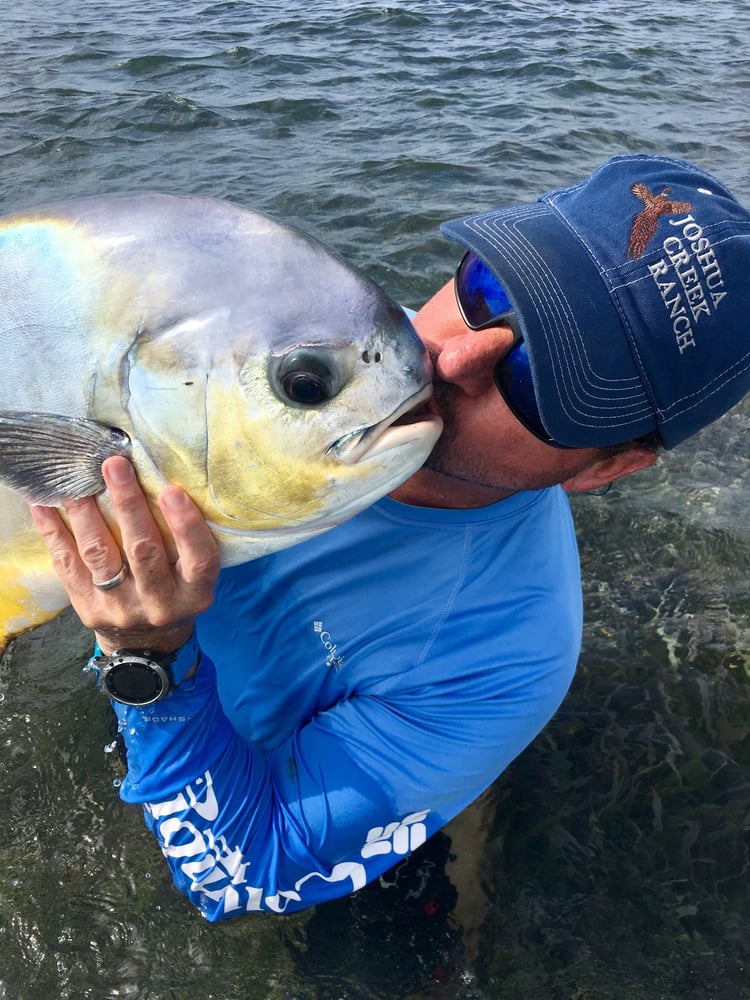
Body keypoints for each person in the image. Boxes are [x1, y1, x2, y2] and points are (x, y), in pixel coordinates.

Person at [31, 153, 750, 921]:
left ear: (608, 467)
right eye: (492, 287)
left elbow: (238, 876)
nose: (457, 356)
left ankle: (454, 821)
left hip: (239, 745)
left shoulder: (506, 657)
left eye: (546, 377)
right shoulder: (316, 349)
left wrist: (151, 660)